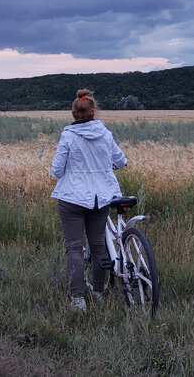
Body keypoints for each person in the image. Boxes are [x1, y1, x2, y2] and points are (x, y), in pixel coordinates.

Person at [49, 89, 128, 311]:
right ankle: (99, 292)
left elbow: (56, 170)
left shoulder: (68, 136)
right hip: (101, 198)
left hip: (72, 198)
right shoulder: (106, 134)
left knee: (74, 247)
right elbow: (121, 162)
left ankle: (78, 300)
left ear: (73, 114)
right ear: (94, 112)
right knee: (98, 246)